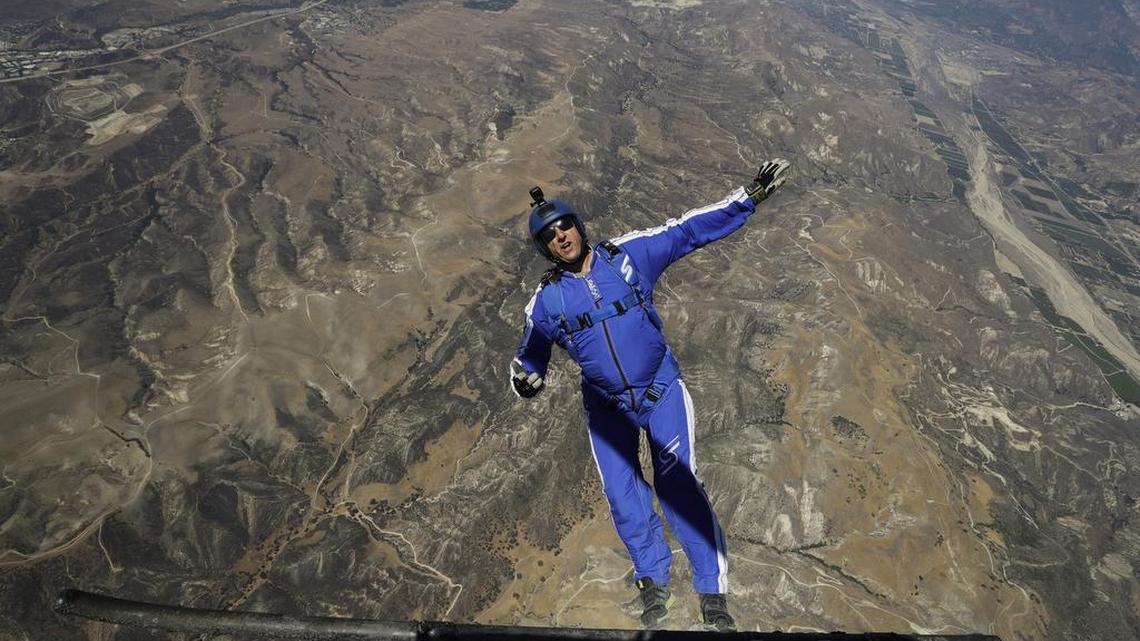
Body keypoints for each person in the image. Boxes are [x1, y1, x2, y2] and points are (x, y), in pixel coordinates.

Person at [510, 160, 791, 630]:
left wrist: (748, 198)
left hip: (661, 390)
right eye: (550, 235)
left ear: (578, 226)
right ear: (544, 248)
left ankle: (712, 594)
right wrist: (525, 380)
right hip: (606, 406)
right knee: (623, 495)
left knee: (677, 483)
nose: (561, 237)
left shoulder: (628, 257)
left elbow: (685, 231)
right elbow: (530, 354)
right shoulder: (547, 301)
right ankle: (654, 586)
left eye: (565, 226)